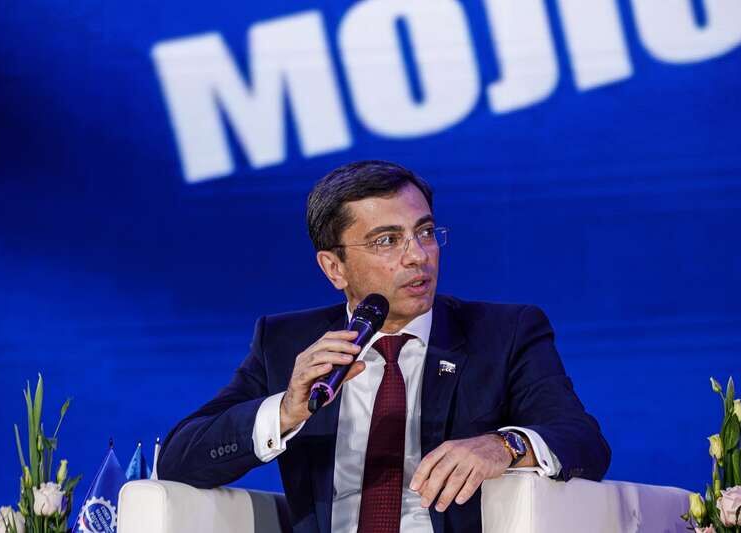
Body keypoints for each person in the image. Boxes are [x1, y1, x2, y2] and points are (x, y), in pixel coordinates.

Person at [158, 160, 610, 533]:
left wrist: (504, 445)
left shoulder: (503, 333)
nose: (418, 255)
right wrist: (286, 411)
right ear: (334, 268)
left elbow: (583, 441)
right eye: (387, 241)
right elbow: (179, 460)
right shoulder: (287, 343)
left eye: (425, 232)